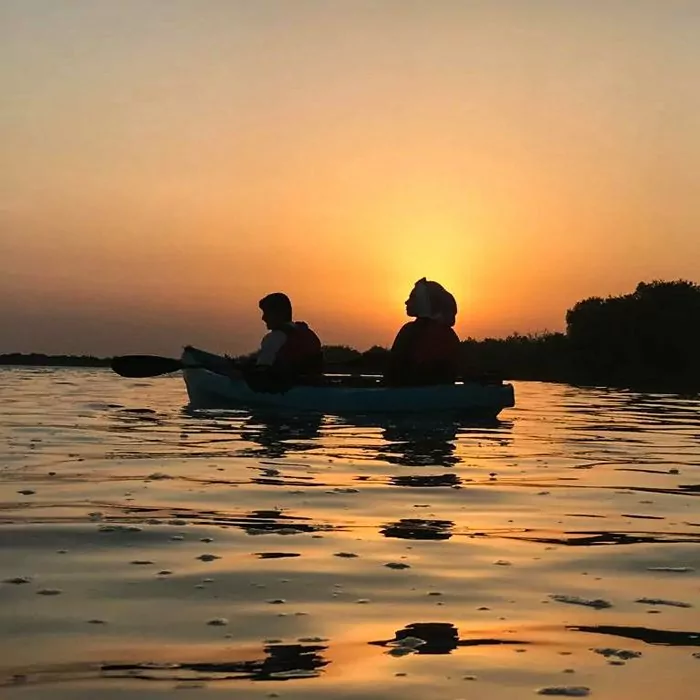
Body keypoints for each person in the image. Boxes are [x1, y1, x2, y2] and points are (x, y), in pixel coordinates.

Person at [384, 278, 461, 386]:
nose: (407, 302)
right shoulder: (449, 334)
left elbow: (394, 369)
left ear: (423, 302)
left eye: (413, 297)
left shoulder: (411, 331)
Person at [244, 292, 324, 391]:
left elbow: (261, 371)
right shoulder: (306, 332)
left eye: (266, 313)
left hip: (287, 387)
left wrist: (241, 374)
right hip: (310, 384)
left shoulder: (274, 338)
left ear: (279, 314)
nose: (263, 318)